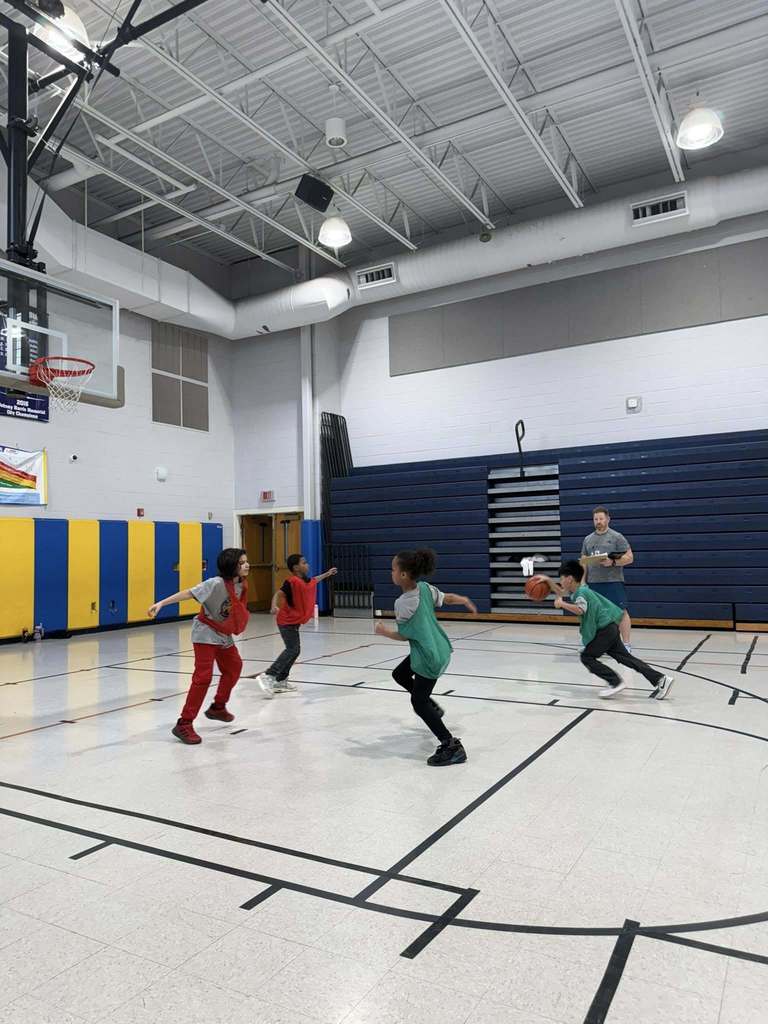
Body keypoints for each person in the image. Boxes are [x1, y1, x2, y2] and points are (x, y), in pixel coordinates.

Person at [374, 548, 477, 766]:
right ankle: (432, 706)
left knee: (418, 703)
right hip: (439, 648)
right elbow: (447, 598)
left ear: (403, 575)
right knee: (400, 674)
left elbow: (403, 635)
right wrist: (464, 599)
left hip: (427, 656)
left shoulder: (402, 603)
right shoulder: (425, 588)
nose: (390, 572)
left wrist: (383, 632)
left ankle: (451, 745)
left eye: (393, 569)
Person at [148, 548, 250, 744]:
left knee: (234, 667)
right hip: (205, 632)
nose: (246, 565)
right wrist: (161, 603)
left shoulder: (241, 584)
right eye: (242, 562)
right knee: (203, 677)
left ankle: (217, 708)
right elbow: (189, 593)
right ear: (231, 566)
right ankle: (184, 723)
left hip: (223, 633)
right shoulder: (215, 583)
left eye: (246, 561)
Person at [550, 560, 674, 700]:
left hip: (604, 631)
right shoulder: (581, 589)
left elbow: (580, 610)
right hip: (610, 628)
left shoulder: (581, 593)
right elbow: (561, 591)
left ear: (569, 578)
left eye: (561, 578)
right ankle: (661, 679)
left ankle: (615, 682)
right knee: (627, 659)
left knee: (587, 657)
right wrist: (547, 581)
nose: (560, 582)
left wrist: (562, 604)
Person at [255, 554, 337, 697]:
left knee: (295, 650)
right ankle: (269, 675)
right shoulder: (291, 582)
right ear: (296, 567)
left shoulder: (306, 581)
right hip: (286, 622)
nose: (308, 565)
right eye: (304, 562)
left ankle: (281, 681)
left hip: (294, 622)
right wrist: (273, 606)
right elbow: (278, 594)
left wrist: (327, 574)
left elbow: (315, 580)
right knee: (292, 649)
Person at [581, 506, 634, 650]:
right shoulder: (587, 539)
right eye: (596, 519)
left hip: (613, 581)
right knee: (594, 615)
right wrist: (582, 581)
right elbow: (584, 561)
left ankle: (626, 644)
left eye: (601, 519)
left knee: (621, 612)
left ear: (608, 519)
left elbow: (630, 558)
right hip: (594, 583)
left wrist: (613, 562)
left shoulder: (617, 537)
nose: (598, 521)